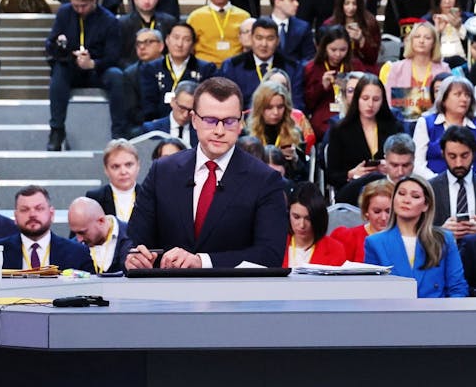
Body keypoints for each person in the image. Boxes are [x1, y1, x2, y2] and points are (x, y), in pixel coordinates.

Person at [125, 77, 287, 270]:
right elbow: (134, 242)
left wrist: (202, 261)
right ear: (194, 120)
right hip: (167, 294)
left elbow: (270, 255)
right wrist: (134, 258)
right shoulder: (162, 172)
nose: (219, 131)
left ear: (241, 123)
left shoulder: (265, 180)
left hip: (233, 296)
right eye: (210, 120)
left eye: (229, 122)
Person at [45, 0, 124, 151]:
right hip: (71, 66)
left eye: (84, 5)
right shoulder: (64, 13)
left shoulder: (109, 20)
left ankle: (119, 132)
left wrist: (93, 63)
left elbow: (114, 55)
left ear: (94, 0)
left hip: (98, 68)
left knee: (117, 76)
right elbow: (49, 45)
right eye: (76, 5)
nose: (80, 9)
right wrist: (62, 48)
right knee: (59, 72)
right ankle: (57, 129)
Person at [363, 174, 468, 297]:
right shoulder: (375, 242)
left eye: (415, 196)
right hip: (394, 313)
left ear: (426, 205)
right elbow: (373, 292)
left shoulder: (444, 239)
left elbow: (457, 288)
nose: (406, 200)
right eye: (401, 194)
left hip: (436, 313)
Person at [325, 74, 406, 191]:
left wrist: (391, 167)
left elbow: (405, 163)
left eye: (376, 99)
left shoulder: (394, 127)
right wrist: (351, 174)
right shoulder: (340, 130)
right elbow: (331, 175)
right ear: (357, 99)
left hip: (388, 186)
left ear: (383, 101)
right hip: (353, 189)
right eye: (365, 98)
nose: (370, 105)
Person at [414, 78, 476, 178]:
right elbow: (417, 163)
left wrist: (475, 182)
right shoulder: (426, 123)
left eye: (467, 95)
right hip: (434, 186)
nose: (464, 99)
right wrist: (437, 182)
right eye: (458, 94)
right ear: (444, 99)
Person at [218, 17, 302, 106]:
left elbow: (297, 105)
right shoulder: (232, 66)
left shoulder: (293, 68)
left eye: (270, 38)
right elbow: (228, 103)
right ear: (251, 38)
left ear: (278, 40)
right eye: (259, 38)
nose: (264, 44)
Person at [302, 24, 364, 138]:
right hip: (323, 118)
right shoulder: (312, 68)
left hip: (352, 114)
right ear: (324, 47)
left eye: (343, 50)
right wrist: (322, 87)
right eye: (333, 50)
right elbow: (307, 104)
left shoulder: (356, 66)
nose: (338, 54)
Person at [385, 22, 450, 121]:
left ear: (434, 43)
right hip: (402, 124)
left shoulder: (444, 69)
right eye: (417, 37)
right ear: (411, 41)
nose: (421, 41)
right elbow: (388, 101)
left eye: (427, 38)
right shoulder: (396, 68)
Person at [283, 182, 346, 268]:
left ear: (318, 217)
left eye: (308, 218)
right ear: (288, 214)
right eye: (296, 217)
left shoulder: (335, 249)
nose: (302, 225)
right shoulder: (276, 245)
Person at [67, 196, 131, 275]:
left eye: (82, 232)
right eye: (75, 233)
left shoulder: (133, 235)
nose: (79, 239)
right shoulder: (72, 248)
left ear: (101, 221)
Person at [322, 0, 382, 67]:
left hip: (364, 68)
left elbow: (373, 58)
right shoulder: (329, 24)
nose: (351, 8)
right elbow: (322, 54)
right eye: (347, 3)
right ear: (340, 4)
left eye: (354, 3)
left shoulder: (369, 22)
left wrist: (361, 40)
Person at [84, 138, 141, 223]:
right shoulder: (95, 199)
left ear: (138, 166)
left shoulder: (150, 197)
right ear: (106, 170)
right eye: (116, 166)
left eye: (128, 165)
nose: (123, 172)